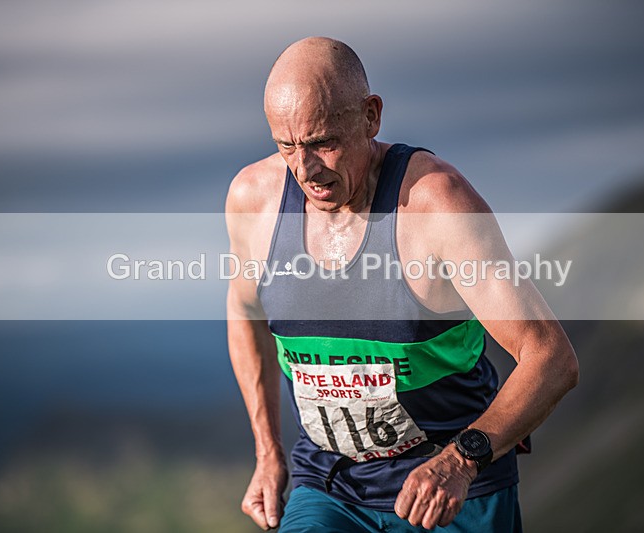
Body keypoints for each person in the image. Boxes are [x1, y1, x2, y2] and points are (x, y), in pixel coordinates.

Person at [225, 36, 578, 532]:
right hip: (329, 483)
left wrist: (461, 460)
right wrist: (267, 452)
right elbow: (245, 311)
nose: (306, 170)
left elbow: (552, 358)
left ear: (371, 116)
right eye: (287, 146)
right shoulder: (253, 200)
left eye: (323, 141)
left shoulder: (435, 204)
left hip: (453, 488)